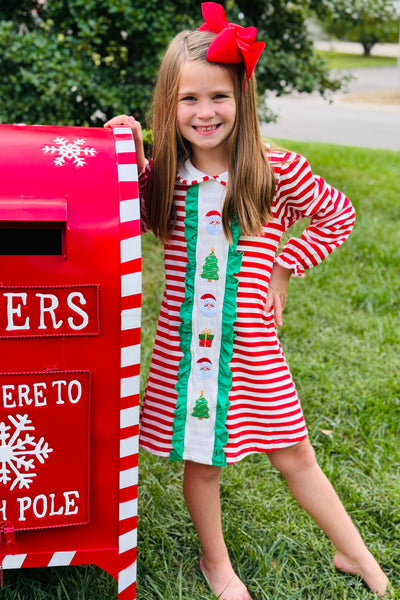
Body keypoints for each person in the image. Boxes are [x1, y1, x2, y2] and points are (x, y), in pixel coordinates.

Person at [105, 3, 389, 599]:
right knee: (203, 462)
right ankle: (217, 563)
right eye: (188, 100)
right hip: (190, 356)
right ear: (169, 104)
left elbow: (338, 214)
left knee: (296, 455)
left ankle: (352, 550)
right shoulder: (164, 179)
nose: (205, 112)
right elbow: (121, 211)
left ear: (242, 99)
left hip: (256, 350)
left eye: (219, 98)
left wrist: (285, 263)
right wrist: (126, 149)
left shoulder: (274, 169)